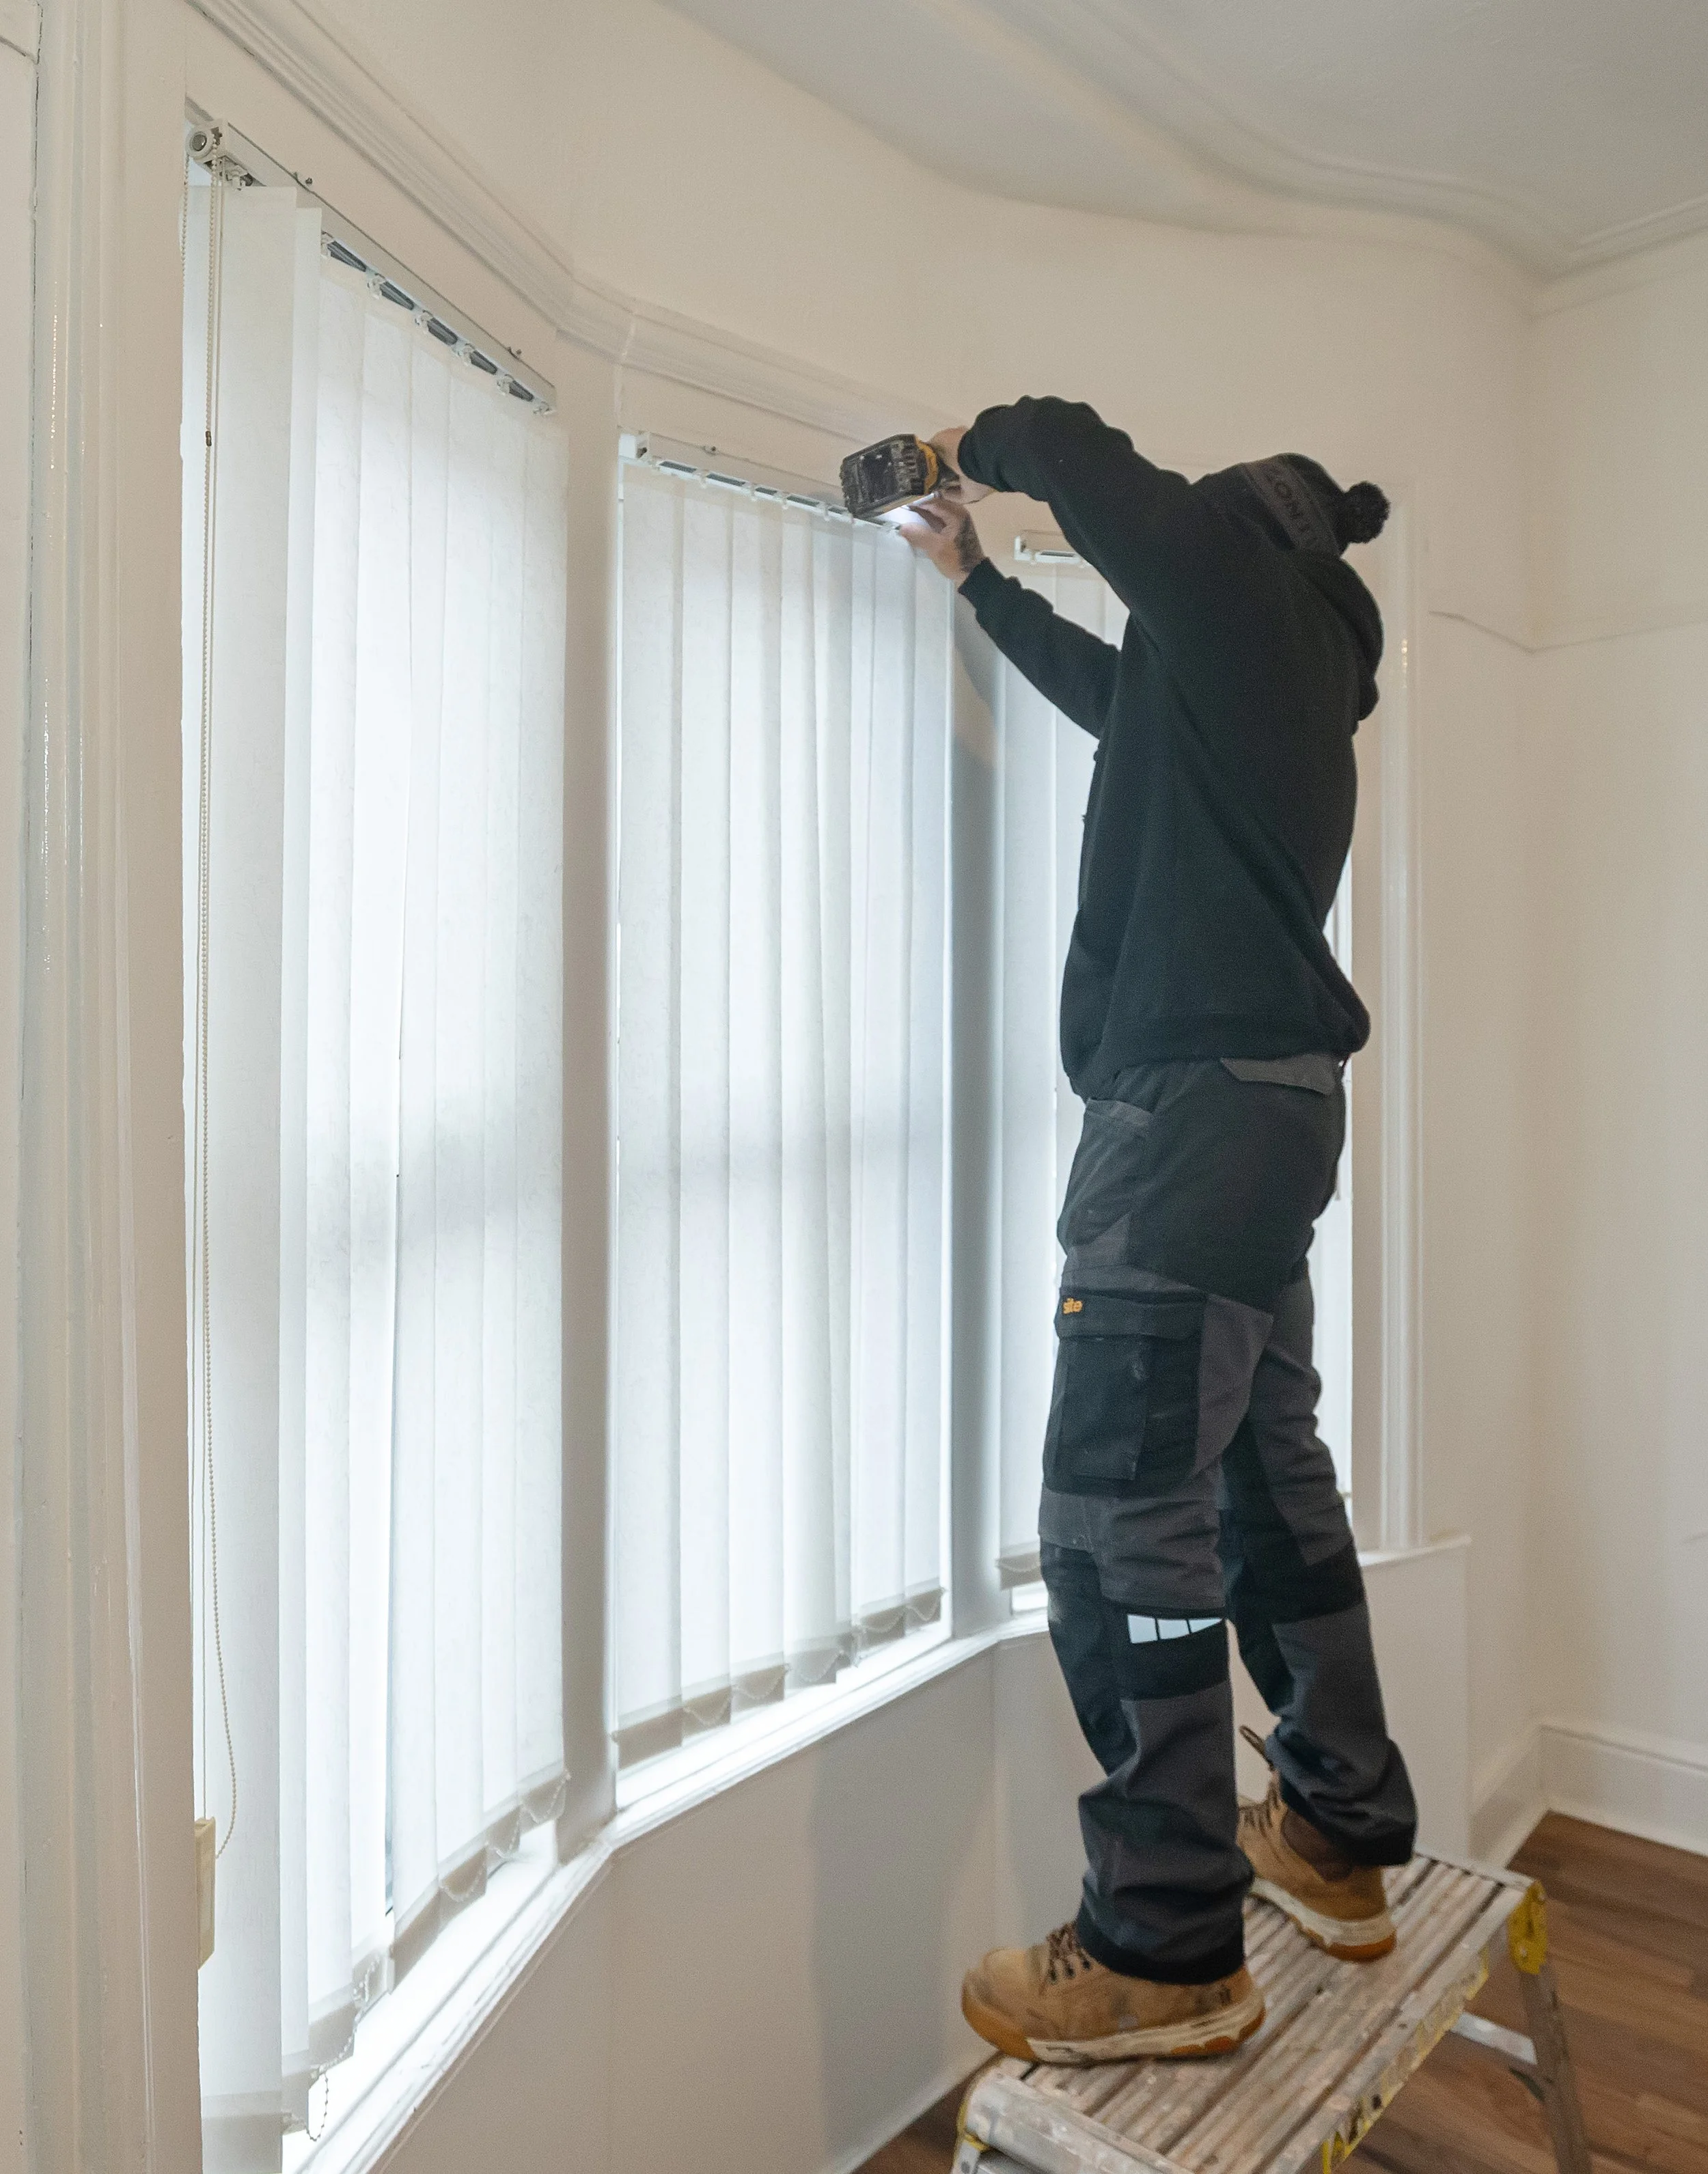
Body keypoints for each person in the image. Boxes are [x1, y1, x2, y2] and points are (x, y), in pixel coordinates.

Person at [896, 401, 1416, 2065]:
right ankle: (1334, 1829)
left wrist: (971, 437)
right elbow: (1107, 695)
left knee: (1124, 1537)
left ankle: (1165, 1939)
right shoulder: (1271, 694)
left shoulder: (1227, 586)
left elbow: (1093, 468)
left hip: (1182, 1124)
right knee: (1267, 1481)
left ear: (1239, 539)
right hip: (1269, 1122)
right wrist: (974, 579)